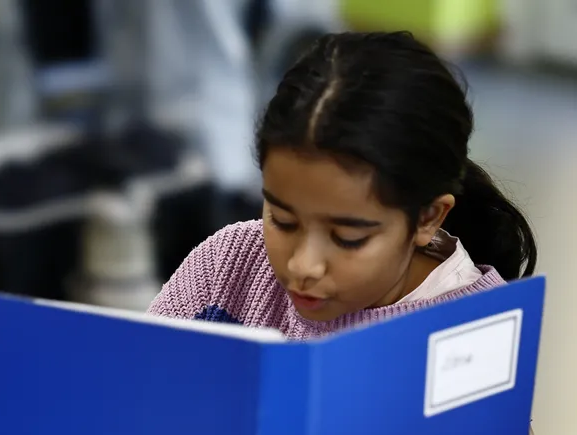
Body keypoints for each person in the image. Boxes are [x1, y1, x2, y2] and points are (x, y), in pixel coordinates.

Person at [149, 31, 537, 337]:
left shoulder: (475, 332)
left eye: (347, 238)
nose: (303, 265)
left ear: (427, 218)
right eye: (282, 220)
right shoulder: (225, 269)